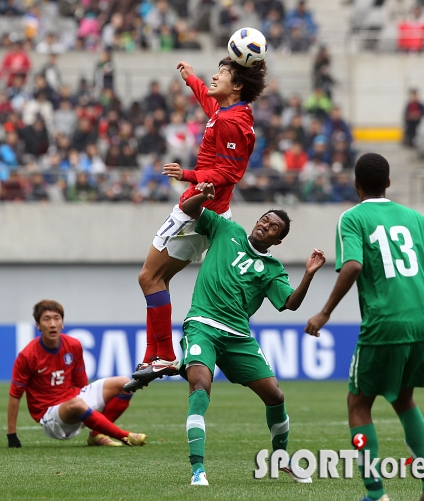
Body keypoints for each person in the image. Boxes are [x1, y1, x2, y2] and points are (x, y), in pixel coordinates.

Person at [133, 182, 325, 485]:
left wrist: (309, 276)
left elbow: (289, 304)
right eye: (265, 219)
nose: (266, 225)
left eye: (274, 226)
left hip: (238, 336)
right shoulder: (225, 228)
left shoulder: (272, 268)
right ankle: (198, 469)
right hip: (203, 325)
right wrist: (203, 196)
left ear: (278, 238)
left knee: (275, 395)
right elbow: (190, 210)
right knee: (200, 386)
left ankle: (281, 459)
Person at [305, 153, 424, 501]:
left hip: (384, 322)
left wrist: (325, 312)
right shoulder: (414, 217)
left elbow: (353, 265)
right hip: (422, 323)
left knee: (358, 404)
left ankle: (375, 493)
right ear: (388, 183)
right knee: (404, 399)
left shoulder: (353, 217)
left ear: (355, 184)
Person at [125, 57, 268, 391]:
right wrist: (192, 79)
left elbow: (230, 174)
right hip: (201, 207)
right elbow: (209, 101)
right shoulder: (227, 112)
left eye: (223, 73)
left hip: (197, 210)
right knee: (156, 278)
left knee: (150, 276)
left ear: (236, 86)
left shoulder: (233, 122)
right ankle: (154, 356)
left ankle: (161, 355)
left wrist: (189, 175)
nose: (214, 76)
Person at [7, 300, 147, 448]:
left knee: (125, 384)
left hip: (74, 402)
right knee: (77, 403)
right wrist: (12, 436)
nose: (52, 324)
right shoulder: (27, 355)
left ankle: (96, 435)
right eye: (46, 319)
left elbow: (81, 385)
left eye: (56, 318)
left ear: (62, 323)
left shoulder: (73, 345)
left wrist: (88, 409)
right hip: (50, 417)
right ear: (38, 325)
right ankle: (125, 437)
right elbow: (15, 395)